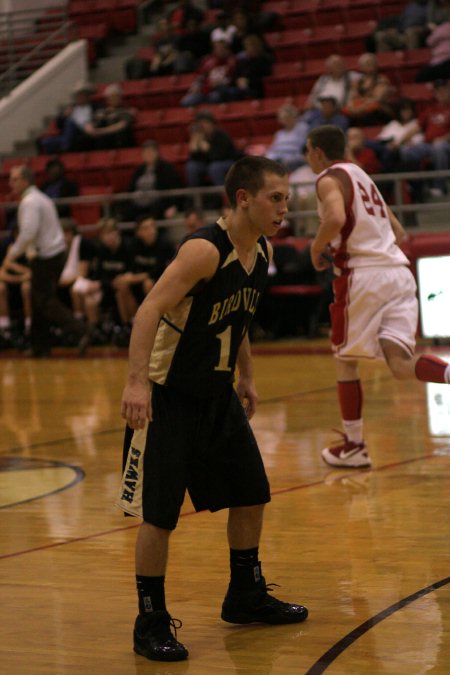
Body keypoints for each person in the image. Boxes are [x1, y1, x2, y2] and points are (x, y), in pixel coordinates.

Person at [118, 155, 308, 662]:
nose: (284, 208)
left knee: (252, 492)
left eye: (286, 199)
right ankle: (149, 620)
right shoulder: (205, 249)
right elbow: (148, 310)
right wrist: (136, 384)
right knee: (159, 515)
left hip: (217, 394)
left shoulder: (261, 250)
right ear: (243, 198)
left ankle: (245, 595)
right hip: (168, 395)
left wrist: (246, 375)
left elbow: (239, 317)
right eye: (276, 198)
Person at [305, 125, 450, 468]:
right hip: (399, 273)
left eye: (308, 152)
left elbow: (337, 217)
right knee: (400, 365)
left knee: (344, 359)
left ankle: (354, 446)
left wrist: (317, 245)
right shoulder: (363, 177)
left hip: (363, 276)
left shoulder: (328, 178)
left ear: (318, 152)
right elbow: (398, 232)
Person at [5, 166, 91, 357]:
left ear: (26, 180)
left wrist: (11, 254)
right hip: (54, 254)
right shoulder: (41, 197)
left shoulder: (30, 202)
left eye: (15, 179)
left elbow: (28, 233)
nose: (11, 183)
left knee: (45, 301)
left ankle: (82, 330)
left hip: (46, 257)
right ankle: (39, 346)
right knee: (38, 300)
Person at [123, 140, 185, 222]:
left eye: (150, 152)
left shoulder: (166, 168)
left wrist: (173, 206)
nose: (148, 155)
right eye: (145, 153)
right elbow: (130, 189)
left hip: (158, 203)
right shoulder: (139, 170)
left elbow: (175, 187)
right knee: (127, 212)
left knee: (156, 211)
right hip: (138, 204)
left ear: (157, 153)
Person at [38, 81, 97, 153]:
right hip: (70, 135)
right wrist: (64, 116)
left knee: (70, 123)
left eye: (82, 94)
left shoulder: (94, 107)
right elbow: (59, 124)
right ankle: (63, 144)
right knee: (43, 141)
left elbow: (97, 120)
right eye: (78, 95)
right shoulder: (72, 108)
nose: (79, 97)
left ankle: (63, 144)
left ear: (87, 96)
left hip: (84, 133)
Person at [84, 84, 135, 150]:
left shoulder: (125, 111)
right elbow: (89, 123)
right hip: (101, 141)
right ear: (107, 99)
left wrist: (100, 132)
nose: (113, 99)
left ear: (120, 98)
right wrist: (89, 128)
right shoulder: (101, 112)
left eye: (116, 96)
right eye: (111, 97)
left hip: (117, 142)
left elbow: (122, 125)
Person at [265, 102, 309, 171]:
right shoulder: (279, 134)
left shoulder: (302, 128)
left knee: (286, 163)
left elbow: (303, 148)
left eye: (288, 118)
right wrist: (268, 158)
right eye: (283, 118)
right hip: (279, 159)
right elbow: (273, 149)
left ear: (294, 117)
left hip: (294, 159)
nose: (285, 121)